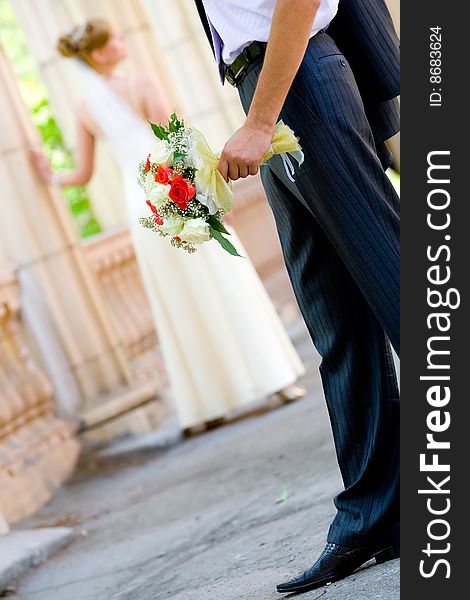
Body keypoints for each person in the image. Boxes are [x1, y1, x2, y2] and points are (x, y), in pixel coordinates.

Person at [194, 0, 400, 593]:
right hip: (272, 85)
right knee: (334, 314)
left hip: (296, 83)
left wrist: (261, 121)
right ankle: (376, 511)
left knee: (396, 277)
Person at [30, 19, 305, 434]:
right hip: (175, 189)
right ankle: (274, 380)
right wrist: (208, 195)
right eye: (116, 38)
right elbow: (178, 142)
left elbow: (82, 175)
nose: (123, 42)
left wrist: (51, 176)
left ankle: (206, 404)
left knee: (179, 298)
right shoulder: (142, 84)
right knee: (222, 279)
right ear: (100, 53)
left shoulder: (85, 110)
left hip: (142, 205)